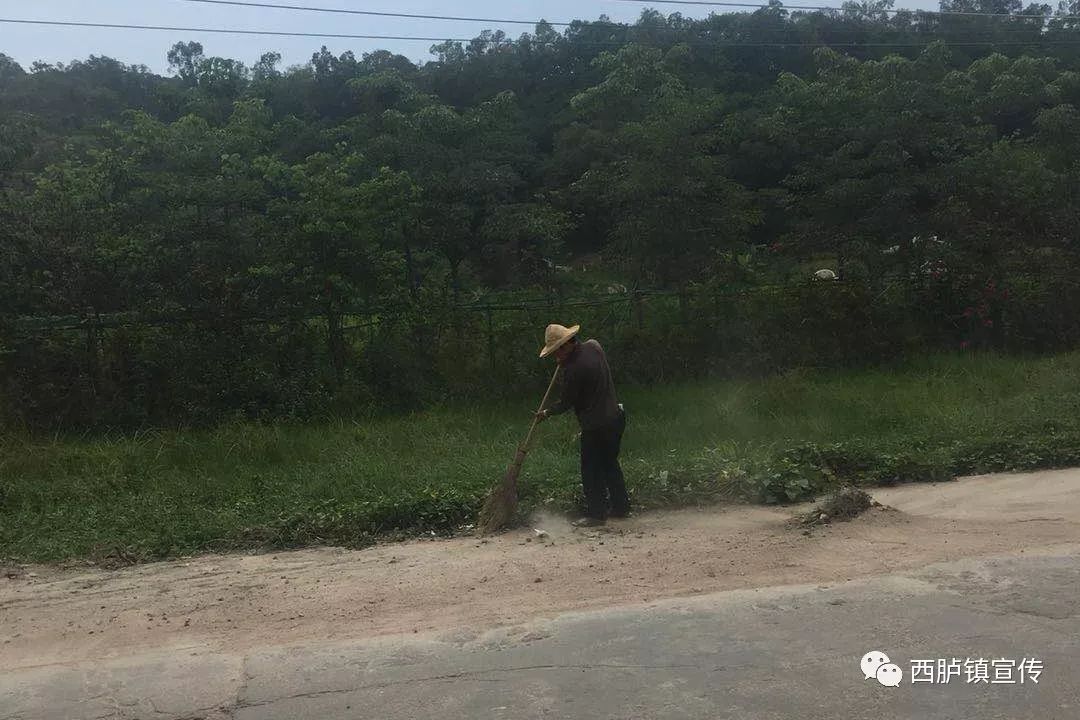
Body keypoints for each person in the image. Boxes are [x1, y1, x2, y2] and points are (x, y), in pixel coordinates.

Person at [535, 323, 629, 527]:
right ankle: (621, 507)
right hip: (616, 417)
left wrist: (546, 413)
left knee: (591, 469)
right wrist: (565, 362)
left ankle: (597, 515)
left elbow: (566, 402)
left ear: (564, 347)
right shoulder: (594, 346)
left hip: (596, 426)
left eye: (555, 352)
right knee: (610, 463)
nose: (555, 357)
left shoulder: (574, 370)